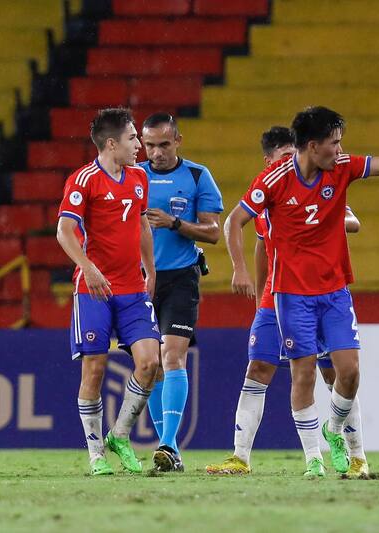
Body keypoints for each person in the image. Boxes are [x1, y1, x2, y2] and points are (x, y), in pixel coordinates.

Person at [225, 106, 379, 476]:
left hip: (335, 292)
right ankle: (313, 461)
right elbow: (234, 221)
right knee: (303, 374)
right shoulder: (274, 181)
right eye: (334, 143)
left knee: (349, 372)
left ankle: (334, 429)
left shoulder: (341, 169)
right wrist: (239, 269)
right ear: (312, 145)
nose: (341, 149)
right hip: (291, 296)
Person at [206, 126, 368, 477]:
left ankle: (356, 455)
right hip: (277, 297)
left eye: (293, 155)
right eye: (282, 157)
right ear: (268, 161)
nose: (290, 163)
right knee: (258, 368)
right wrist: (259, 300)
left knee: (332, 373)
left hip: (316, 291)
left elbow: (353, 221)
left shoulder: (319, 181)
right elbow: (262, 247)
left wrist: (317, 214)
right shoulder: (267, 191)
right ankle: (240, 457)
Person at [56, 108, 161, 476]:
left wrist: (150, 267)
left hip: (132, 287)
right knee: (95, 369)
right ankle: (96, 452)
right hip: (93, 291)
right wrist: (87, 267)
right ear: (112, 143)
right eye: (133, 139)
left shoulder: (138, 178)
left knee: (150, 363)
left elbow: (143, 223)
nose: (140, 145)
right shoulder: (83, 180)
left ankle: (119, 434)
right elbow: (64, 231)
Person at [139, 113, 224, 472]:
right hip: (139, 280)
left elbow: (213, 232)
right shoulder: (132, 176)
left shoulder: (196, 176)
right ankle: (170, 449)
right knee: (152, 366)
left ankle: (167, 445)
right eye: (149, 145)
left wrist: (174, 223)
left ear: (178, 141)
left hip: (180, 279)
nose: (156, 152)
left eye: (164, 144)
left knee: (173, 357)